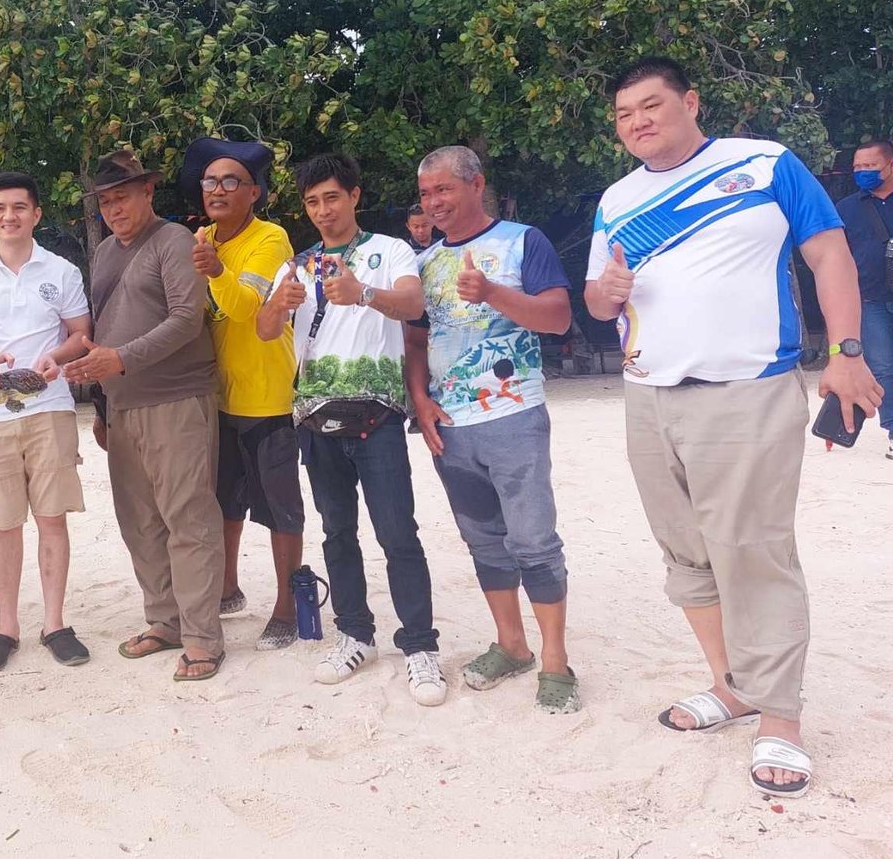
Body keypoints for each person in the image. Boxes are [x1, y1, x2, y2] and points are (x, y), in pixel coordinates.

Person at [586, 57, 883, 798]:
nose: (638, 122)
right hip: (648, 393)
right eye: (625, 115)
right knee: (686, 556)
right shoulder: (617, 199)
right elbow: (597, 301)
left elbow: (829, 254)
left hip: (746, 391)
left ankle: (779, 716)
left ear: (691, 101)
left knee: (754, 552)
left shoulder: (764, 163)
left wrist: (847, 353)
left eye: (651, 105)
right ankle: (732, 685)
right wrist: (605, 291)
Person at [257, 155, 444, 702]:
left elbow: (413, 303)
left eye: (331, 197)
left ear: (354, 196)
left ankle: (420, 646)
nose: (322, 210)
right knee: (337, 533)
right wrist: (279, 304)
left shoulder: (391, 250)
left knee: (397, 534)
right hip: (316, 420)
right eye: (312, 201)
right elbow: (267, 331)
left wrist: (363, 293)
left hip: (379, 417)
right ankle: (354, 634)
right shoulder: (296, 263)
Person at [403, 146, 580, 714]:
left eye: (443, 190)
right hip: (450, 427)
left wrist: (494, 293)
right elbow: (415, 339)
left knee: (534, 540)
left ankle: (555, 659)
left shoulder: (523, 241)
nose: (434, 203)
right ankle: (511, 644)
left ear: (476, 185)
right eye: (426, 194)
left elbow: (557, 317)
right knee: (482, 539)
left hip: (514, 417)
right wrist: (419, 399)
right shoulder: (426, 263)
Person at [64, 150, 225, 681]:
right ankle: (164, 621)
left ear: (147, 192)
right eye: (105, 201)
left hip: (177, 400)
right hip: (124, 406)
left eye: (122, 197)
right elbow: (105, 331)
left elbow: (186, 319)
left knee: (188, 519)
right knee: (139, 524)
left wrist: (119, 360)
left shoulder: (174, 241)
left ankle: (203, 639)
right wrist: (101, 398)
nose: (114, 208)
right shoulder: (106, 253)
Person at [0, 173, 93, 672]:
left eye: (18, 207)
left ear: (36, 214)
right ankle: (6, 626)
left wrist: (57, 356)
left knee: (52, 519)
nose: (8, 216)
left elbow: (80, 333)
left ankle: (55, 623)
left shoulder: (62, 270)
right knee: (4, 524)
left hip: (51, 408)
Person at [179, 137, 302, 650]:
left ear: (255, 192)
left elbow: (246, 308)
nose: (219, 189)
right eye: (211, 181)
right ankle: (227, 589)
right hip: (218, 395)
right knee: (224, 501)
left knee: (279, 509)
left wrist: (214, 270)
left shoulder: (270, 239)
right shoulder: (202, 235)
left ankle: (288, 606)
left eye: (232, 181)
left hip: (268, 396)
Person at [836, 139, 893, 458]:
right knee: (883, 366)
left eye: (870, 166)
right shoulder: (846, 208)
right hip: (869, 297)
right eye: (858, 167)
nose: (862, 172)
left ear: (889, 165)